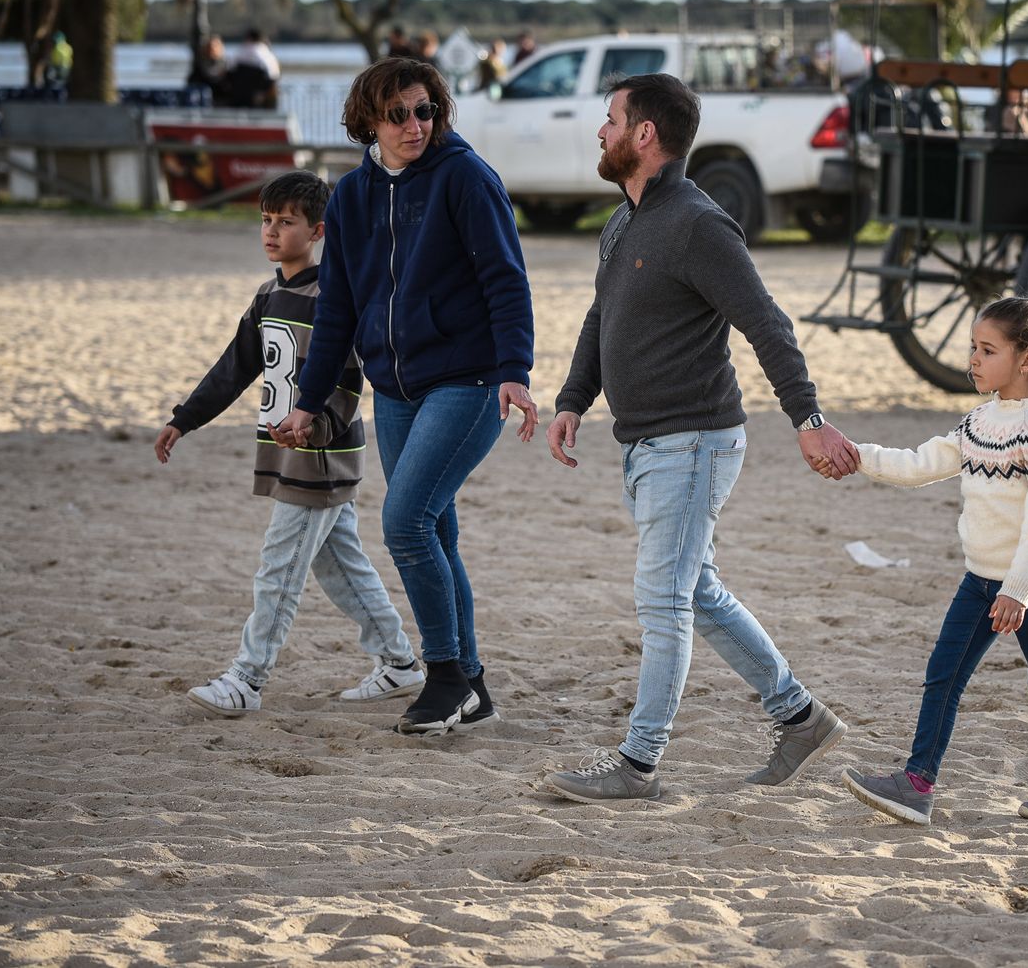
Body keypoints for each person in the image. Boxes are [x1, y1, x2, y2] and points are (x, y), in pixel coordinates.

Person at [541, 73, 856, 803]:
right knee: (697, 590)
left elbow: (766, 323)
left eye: (612, 118)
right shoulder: (625, 220)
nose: (601, 129)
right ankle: (800, 717)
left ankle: (638, 765)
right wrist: (573, 399)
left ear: (643, 134)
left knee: (662, 600)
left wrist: (807, 420)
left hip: (694, 442)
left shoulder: (697, 223)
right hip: (649, 444)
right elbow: (602, 317)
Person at [271, 56, 537, 736]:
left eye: (425, 111)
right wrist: (308, 399)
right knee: (436, 531)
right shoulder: (353, 196)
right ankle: (473, 685)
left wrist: (515, 368)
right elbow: (338, 309)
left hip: (470, 380)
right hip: (394, 385)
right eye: (399, 115)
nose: (415, 125)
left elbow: (506, 279)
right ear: (369, 120)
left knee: (405, 522)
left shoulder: (465, 177)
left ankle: (443, 674)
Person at [156, 170, 424, 718]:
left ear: (319, 230)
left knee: (278, 568)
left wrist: (317, 426)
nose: (272, 232)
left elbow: (350, 379)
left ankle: (247, 680)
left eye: (286, 222)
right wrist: (184, 419)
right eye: (266, 220)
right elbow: (234, 368)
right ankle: (399, 662)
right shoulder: (269, 294)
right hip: (282, 451)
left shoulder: (334, 296)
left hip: (319, 456)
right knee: (338, 563)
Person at [839, 289, 1028, 827]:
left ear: (1025, 360)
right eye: (973, 348)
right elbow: (918, 464)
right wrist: (854, 455)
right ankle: (917, 783)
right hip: (980, 580)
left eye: (987, 350)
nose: (973, 360)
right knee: (943, 677)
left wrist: (1018, 590)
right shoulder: (979, 421)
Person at [225, 28, 280, 109]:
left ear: (248, 38)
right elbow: (274, 75)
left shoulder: (240, 51)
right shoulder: (267, 54)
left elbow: (230, 69)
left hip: (238, 94)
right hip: (259, 95)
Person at [186, 34, 228, 106]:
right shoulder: (199, 69)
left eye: (216, 46)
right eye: (210, 47)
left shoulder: (228, 68)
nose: (213, 49)